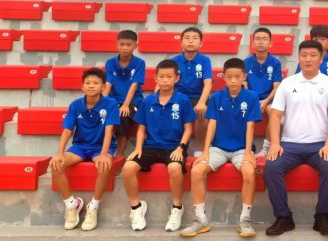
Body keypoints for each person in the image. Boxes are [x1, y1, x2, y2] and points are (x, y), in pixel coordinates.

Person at [264, 40, 328, 236]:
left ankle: (322, 217)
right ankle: (283, 217)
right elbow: (275, 115)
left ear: (321, 59)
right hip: (290, 145)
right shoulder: (288, 83)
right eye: (304, 55)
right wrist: (275, 143)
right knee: (271, 167)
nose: (308, 59)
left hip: (319, 145)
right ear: (298, 57)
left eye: (313, 55)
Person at [180, 58, 261, 238]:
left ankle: (245, 219)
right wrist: (205, 152)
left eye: (237, 77)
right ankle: (200, 219)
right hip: (219, 149)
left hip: (241, 148)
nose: (233, 80)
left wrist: (248, 153)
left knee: (249, 172)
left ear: (244, 77)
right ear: (223, 77)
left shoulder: (251, 97)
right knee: (196, 171)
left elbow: (251, 127)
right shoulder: (216, 97)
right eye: (229, 77)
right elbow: (211, 125)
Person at [123, 59, 195, 232]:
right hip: (150, 146)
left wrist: (181, 148)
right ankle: (136, 208)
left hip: (173, 146)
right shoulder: (148, 101)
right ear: (155, 78)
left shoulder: (183, 100)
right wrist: (138, 148)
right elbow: (141, 129)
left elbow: (188, 128)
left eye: (169, 76)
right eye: (161, 76)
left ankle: (177, 208)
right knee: (128, 168)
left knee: (175, 168)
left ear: (176, 78)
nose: (165, 80)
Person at [50, 67, 120, 231]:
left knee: (103, 166)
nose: (91, 86)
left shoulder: (110, 104)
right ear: (82, 86)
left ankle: (93, 207)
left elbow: (109, 130)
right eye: (88, 83)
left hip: (100, 147)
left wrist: (104, 154)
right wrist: (59, 153)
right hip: (80, 147)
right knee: (56, 165)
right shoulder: (75, 105)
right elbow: (67, 130)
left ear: (103, 87)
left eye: (95, 83)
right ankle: (72, 204)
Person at [172, 27, 213, 156]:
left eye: (194, 38)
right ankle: (175, 147)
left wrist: (202, 102)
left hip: (197, 96)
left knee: (202, 112)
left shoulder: (205, 60)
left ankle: (200, 149)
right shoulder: (174, 60)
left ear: (201, 43)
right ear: (181, 42)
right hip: (178, 96)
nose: (190, 41)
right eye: (187, 38)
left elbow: (208, 83)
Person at [103, 29, 145, 156]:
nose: (125, 48)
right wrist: (102, 102)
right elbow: (108, 83)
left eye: (128, 45)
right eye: (122, 44)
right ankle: (100, 150)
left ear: (135, 46)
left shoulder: (139, 63)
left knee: (123, 115)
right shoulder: (110, 63)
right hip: (114, 100)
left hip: (133, 101)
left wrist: (126, 105)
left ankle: (120, 154)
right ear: (117, 45)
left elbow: (134, 85)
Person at [244, 27, 283, 157]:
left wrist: (266, 101)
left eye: (264, 39)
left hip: (269, 98)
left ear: (270, 43)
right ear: (252, 43)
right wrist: (253, 101)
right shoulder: (246, 62)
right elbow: (244, 84)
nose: (261, 42)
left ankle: (266, 148)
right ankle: (247, 147)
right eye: (258, 39)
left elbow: (277, 86)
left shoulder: (275, 63)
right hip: (250, 98)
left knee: (272, 111)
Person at [294, 25, 328, 90]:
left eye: (323, 39)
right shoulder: (305, 60)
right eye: (316, 39)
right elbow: (297, 80)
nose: (319, 42)